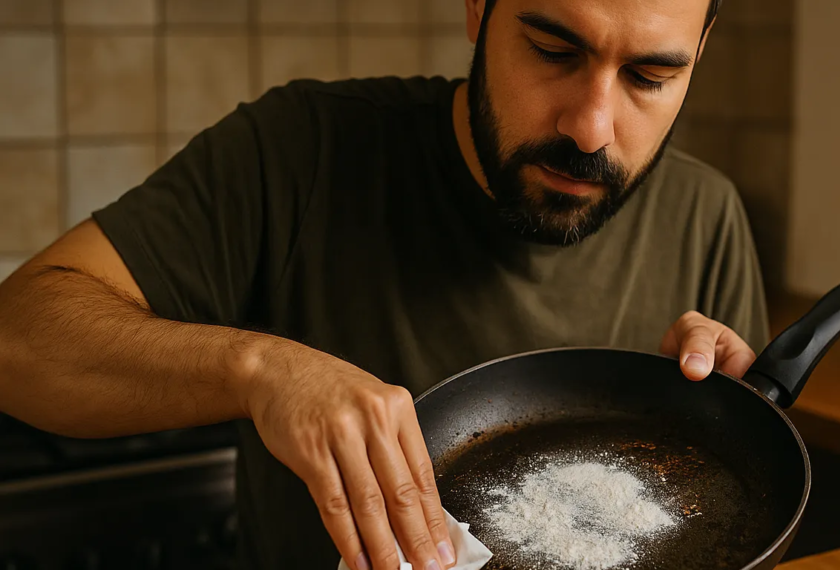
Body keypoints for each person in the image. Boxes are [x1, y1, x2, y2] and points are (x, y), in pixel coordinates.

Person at [0, 0, 769, 568]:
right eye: (552, 50)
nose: (591, 127)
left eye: (651, 76)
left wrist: (727, 403)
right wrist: (262, 370)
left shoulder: (705, 214)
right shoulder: (300, 154)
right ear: (479, 8)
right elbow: (17, 340)